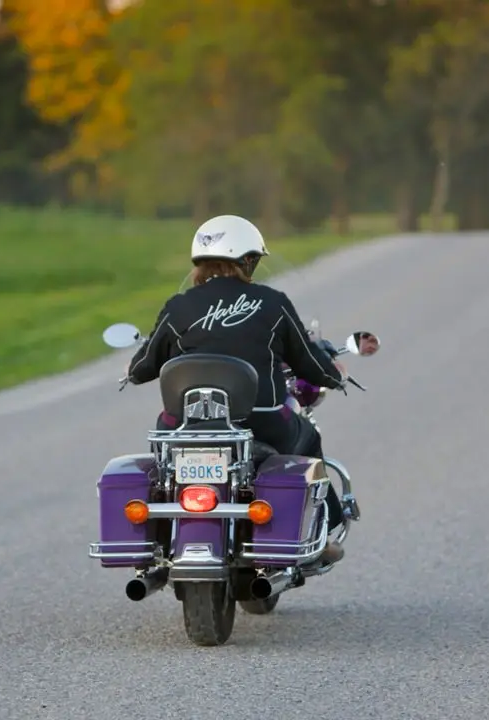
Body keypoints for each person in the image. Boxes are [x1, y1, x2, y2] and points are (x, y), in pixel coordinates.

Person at [126, 214, 349, 565]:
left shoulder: (178, 306)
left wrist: (134, 373)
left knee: (163, 453)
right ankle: (328, 529)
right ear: (247, 261)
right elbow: (307, 362)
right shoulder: (272, 302)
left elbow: (142, 369)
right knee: (308, 437)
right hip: (263, 422)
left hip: (188, 428)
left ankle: (157, 534)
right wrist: (334, 377)